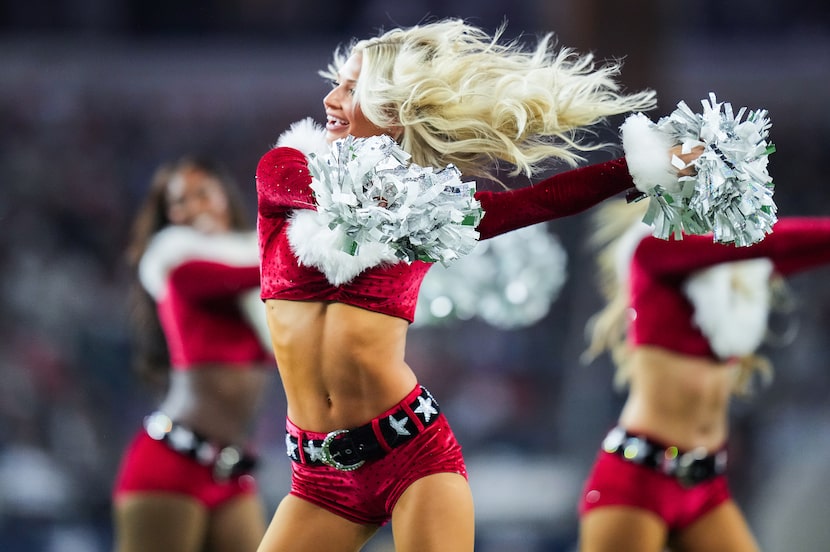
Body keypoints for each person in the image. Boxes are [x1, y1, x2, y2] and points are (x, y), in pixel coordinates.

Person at [254, 18, 689, 552]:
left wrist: (647, 168)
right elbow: (315, 194)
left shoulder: (430, 210)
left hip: (411, 459)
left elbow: (541, 201)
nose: (331, 97)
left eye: (351, 88)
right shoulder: (286, 166)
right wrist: (397, 205)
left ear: (393, 108)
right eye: (337, 83)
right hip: (317, 479)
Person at [578, 198, 830, 552]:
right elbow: (771, 241)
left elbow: (787, 253)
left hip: (704, 484)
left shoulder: (732, 281)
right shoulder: (653, 247)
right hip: (640, 481)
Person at [112, 156, 274, 552]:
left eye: (202, 194)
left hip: (231, 468)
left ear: (225, 198)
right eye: (178, 203)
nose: (191, 208)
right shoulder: (177, 264)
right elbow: (268, 271)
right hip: (170, 463)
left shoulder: (252, 278)